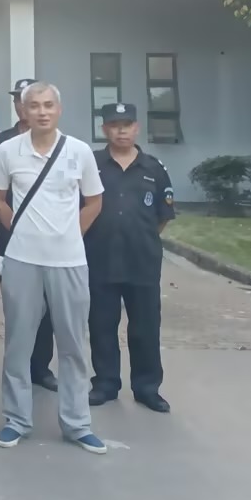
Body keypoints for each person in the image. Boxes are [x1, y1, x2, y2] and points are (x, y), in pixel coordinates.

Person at [0, 81, 106, 454]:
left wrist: (70, 234)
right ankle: (16, 419)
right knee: (18, 344)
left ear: (59, 109)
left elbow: (94, 201)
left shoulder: (79, 151)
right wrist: (18, 228)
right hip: (22, 260)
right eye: (34, 105)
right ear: (23, 111)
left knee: (72, 345)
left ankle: (77, 423)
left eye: (48, 105)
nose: (41, 111)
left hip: (69, 261)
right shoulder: (8, 150)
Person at [88, 103, 175, 413]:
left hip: (142, 260)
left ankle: (147, 387)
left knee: (145, 327)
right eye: (114, 125)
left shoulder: (154, 168)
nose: (121, 130)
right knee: (101, 325)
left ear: (136, 128)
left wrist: (138, 235)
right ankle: (105, 383)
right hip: (100, 258)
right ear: (104, 129)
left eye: (127, 125)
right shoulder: (91, 163)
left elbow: (162, 216)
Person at [0, 77, 57, 391]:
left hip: (49, 239)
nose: (25, 106)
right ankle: (17, 369)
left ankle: (40, 367)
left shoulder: (61, 144)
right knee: (18, 305)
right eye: (20, 100)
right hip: (11, 235)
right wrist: (14, 226)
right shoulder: (1, 143)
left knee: (48, 305)